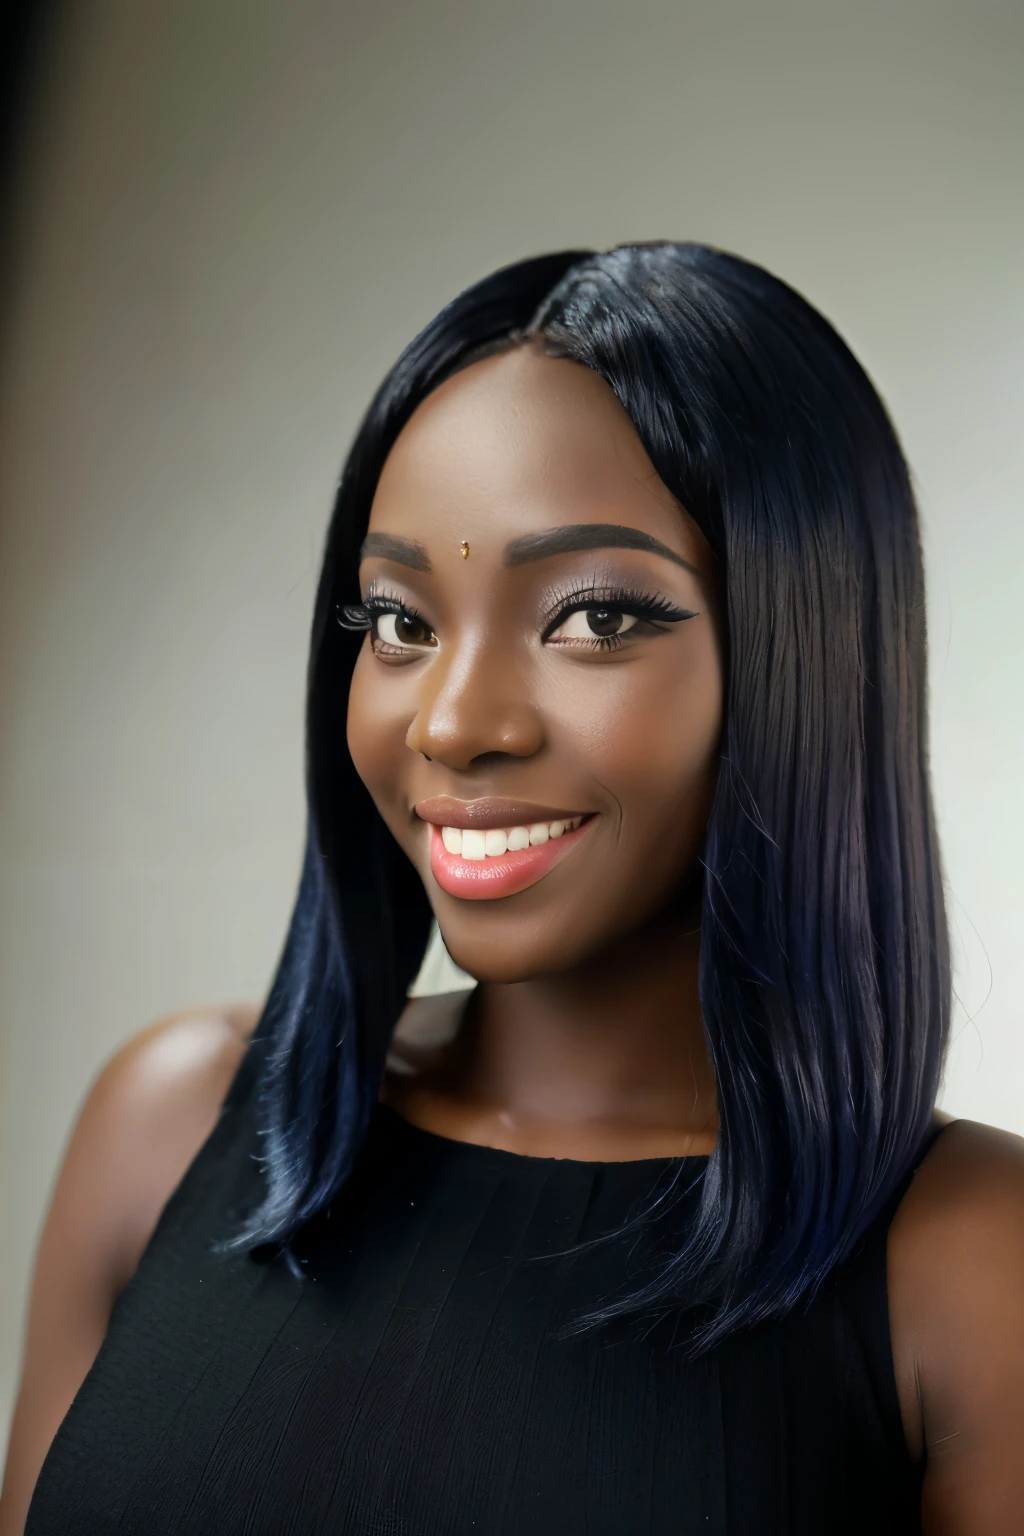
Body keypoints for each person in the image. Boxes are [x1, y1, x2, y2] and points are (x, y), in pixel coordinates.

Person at [2, 243, 1022, 1534]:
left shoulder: (975, 1267)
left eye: (592, 619)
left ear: (806, 656)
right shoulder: (170, 1125)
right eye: (400, 623)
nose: (454, 721)